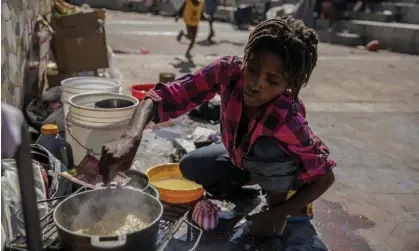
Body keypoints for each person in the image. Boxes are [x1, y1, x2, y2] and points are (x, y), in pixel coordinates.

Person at [99, 16, 335, 249]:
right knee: (191, 166)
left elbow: (325, 176)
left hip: (280, 172)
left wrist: (278, 214)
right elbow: (167, 95)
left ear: (289, 85)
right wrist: (131, 138)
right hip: (242, 159)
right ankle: (250, 188)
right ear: (246, 59)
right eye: (252, 70)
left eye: (271, 80)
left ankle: (273, 207)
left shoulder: (288, 118)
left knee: (267, 150)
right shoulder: (227, 72)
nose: (256, 84)